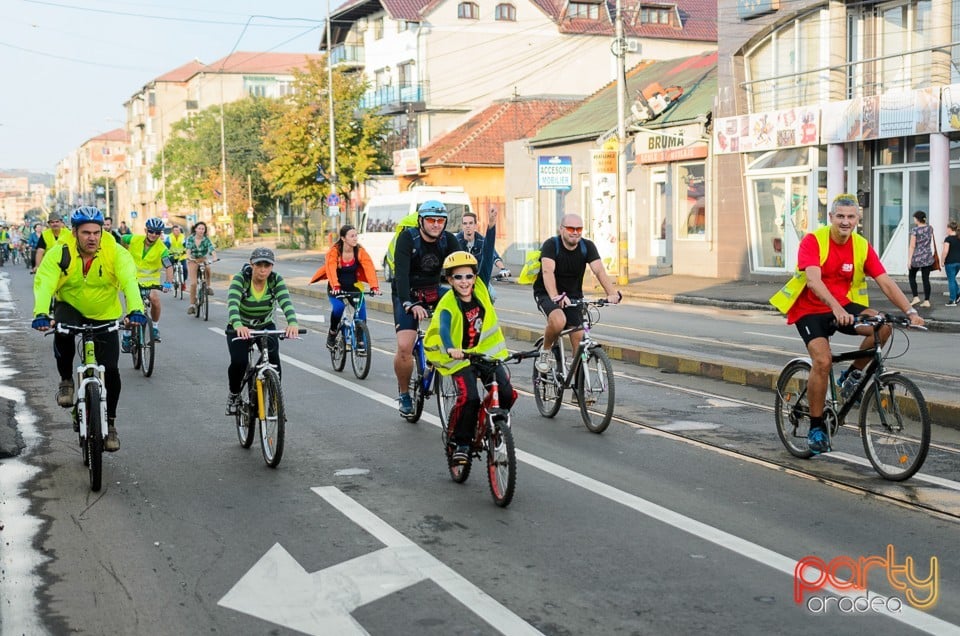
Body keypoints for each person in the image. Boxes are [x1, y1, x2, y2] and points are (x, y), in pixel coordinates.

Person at [769, 193, 924, 454]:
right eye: (840, 216)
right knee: (822, 361)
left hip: (842, 307)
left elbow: (885, 281)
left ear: (857, 219)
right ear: (831, 218)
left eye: (850, 217)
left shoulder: (861, 245)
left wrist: (909, 311)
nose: (845, 221)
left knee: (883, 324)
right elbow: (813, 281)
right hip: (810, 310)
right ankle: (817, 427)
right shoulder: (814, 241)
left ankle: (852, 376)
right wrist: (837, 307)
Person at [31, 206, 147, 452]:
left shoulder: (115, 252)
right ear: (74, 232)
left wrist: (136, 309)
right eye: (86, 233)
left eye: (97, 232)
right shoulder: (59, 253)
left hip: (105, 312)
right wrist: (41, 313)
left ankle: (111, 424)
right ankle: (66, 381)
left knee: (112, 371)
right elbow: (45, 283)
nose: (93, 237)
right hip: (70, 306)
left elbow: (129, 281)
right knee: (61, 334)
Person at [392, 201, 486, 417]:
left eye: (440, 221)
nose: (436, 225)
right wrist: (408, 303)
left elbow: (462, 267)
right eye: (431, 220)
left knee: (466, 314)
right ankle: (405, 393)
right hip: (408, 293)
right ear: (421, 221)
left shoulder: (449, 240)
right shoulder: (408, 239)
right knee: (405, 346)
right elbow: (401, 275)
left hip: (435, 290)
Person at [425, 246, 514, 465]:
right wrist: (450, 348)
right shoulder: (447, 304)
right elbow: (444, 328)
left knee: (507, 392)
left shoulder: (480, 290)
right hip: (459, 358)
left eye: (469, 276)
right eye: (458, 277)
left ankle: (493, 424)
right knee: (469, 398)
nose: (464, 282)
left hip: (483, 354)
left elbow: (486, 259)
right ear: (450, 280)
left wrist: (491, 226)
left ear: (475, 277)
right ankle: (461, 443)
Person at [533, 214, 620, 374]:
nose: (575, 232)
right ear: (561, 229)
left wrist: (612, 293)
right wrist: (555, 296)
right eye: (571, 228)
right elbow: (547, 271)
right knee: (559, 321)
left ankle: (578, 388)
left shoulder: (587, 246)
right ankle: (545, 352)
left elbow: (599, 270)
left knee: (579, 337)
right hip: (547, 293)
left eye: (578, 229)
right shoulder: (552, 245)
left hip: (573, 297)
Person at [224, 248, 300, 415]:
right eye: (259, 265)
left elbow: (286, 302)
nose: (263, 269)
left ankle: (274, 401)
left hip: (265, 324)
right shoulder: (241, 279)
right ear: (252, 264)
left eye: (267, 265)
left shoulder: (275, 280)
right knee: (239, 362)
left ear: (272, 267)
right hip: (240, 327)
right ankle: (234, 395)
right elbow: (233, 304)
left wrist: (292, 323)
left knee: (274, 361)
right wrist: (238, 325)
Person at [309, 224, 380, 349]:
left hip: (353, 286)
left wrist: (374, 286)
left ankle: (360, 338)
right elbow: (330, 268)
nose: (355, 238)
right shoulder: (334, 251)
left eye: (356, 235)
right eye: (352, 236)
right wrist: (336, 286)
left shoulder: (359, 251)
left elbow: (369, 267)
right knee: (338, 307)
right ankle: (332, 333)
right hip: (335, 287)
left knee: (361, 309)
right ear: (343, 238)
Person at [119, 218, 174, 345]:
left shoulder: (162, 249)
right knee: (132, 309)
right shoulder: (134, 239)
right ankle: (126, 335)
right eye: (151, 231)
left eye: (157, 233)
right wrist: (123, 252)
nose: (154, 235)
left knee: (155, 299)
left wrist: (168, 283)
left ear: (160, 234)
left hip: (151, 280)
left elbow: (169, 267)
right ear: (146, 230)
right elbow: (122, 239)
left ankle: (154, 328)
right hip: (131, 279)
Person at [455, 210, 509, 301]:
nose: (468, 226)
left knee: (492, 295)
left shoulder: (482, 241)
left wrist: (503, 269)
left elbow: (493, 255)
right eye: (465, 223)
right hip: (461, 279)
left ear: (476, 225)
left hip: (478, 277)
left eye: (471, 223)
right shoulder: (456, 241)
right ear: (462, 226)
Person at [185, 221, 217, 315]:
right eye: (199, 228)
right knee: (193, 283)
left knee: (208, 268)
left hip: (203, 259)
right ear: (195, 229)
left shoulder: (206, 239)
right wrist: (189, 256)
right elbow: (188, 250)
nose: (201, 230)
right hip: (193, 260)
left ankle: (208, 287)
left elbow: (212, 249)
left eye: (203, 229)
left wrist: (214, 257)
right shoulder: (190, 238)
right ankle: (192, 305)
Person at [907, 210, 936, 308]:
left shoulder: (915, 230)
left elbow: (912, 246)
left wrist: (909, 260)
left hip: (917, 257)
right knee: (926, 279)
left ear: (917, 219)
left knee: (911, 276)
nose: (914, 220)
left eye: (914, 218)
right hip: (927, 257)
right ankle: (927, 300)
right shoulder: (930, 228)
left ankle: (916, 297)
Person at [167, 224, 188, 291]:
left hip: (181, 256)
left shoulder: (182, 237)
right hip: (172, 256)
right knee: (170, 269)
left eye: (178, 230)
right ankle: (171, 280)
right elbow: (166, 245)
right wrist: (168, 252)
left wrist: (186, 251)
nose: (177, 231)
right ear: (172, 231)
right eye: (175, 230)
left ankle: (183, 282)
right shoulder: (169, 237)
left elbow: (186, 245)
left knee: (185, 269)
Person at [943, 220, 960, 307]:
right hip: (958, 262)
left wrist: (942, 260)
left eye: (947, 228)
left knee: (951, 280)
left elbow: (945, 251)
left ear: (949, 229)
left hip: (950, 262)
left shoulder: (948, 239)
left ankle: (952, 300)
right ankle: (958, 294)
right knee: (952, 279)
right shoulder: (958, 238)